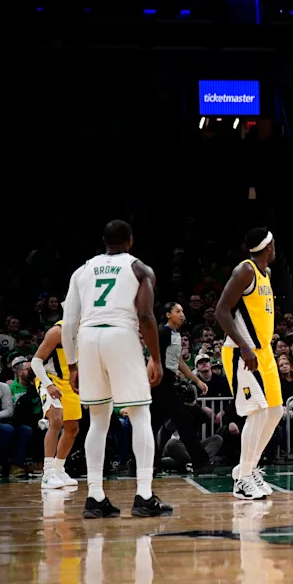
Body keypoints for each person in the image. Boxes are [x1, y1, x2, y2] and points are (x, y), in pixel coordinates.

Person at [62, 219, 172, 518]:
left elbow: (69, 321)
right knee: (140, 414)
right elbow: (147, 316)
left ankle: (95, 498)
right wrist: (156, 359)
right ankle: (145, 496)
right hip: (120, 334)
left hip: (87, 338)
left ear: (103, 241)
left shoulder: (82, 270)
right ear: (131, 240)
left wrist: (72, 364)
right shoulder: (139, 269)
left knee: (97, 420)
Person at [215, 227, 282, 500]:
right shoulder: (246, 270)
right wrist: (244, 346)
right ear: (267, 247)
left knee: (275, 411)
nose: (275, 249)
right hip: (243, 352)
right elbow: (221, 310)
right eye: (273, 245)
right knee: (257, 412)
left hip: (263, 352)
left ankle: (250, 468)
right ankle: (242, 479)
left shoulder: (266, 274)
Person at [151, 302, 213, 475]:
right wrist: (149, 383)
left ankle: (145, 464)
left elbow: (179, 362)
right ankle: (201, 462)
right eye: (177, 311)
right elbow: (153, 359)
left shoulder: (176, 334)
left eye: (182, 311)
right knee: (181, 420)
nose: (181, 314)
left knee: (154, 424)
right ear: (168, 315)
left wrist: (197, 381)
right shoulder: (163, 332)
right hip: (160, 383)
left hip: (168, 382)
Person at [30, 320, 80, 489]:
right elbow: (35, 362)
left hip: (69, 382)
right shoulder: (57, 332)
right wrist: (48, 385)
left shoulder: (88, 329)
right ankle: (48, 473)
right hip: (50, 379)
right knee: (56, 419)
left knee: (72, 428)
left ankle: (59, 469)